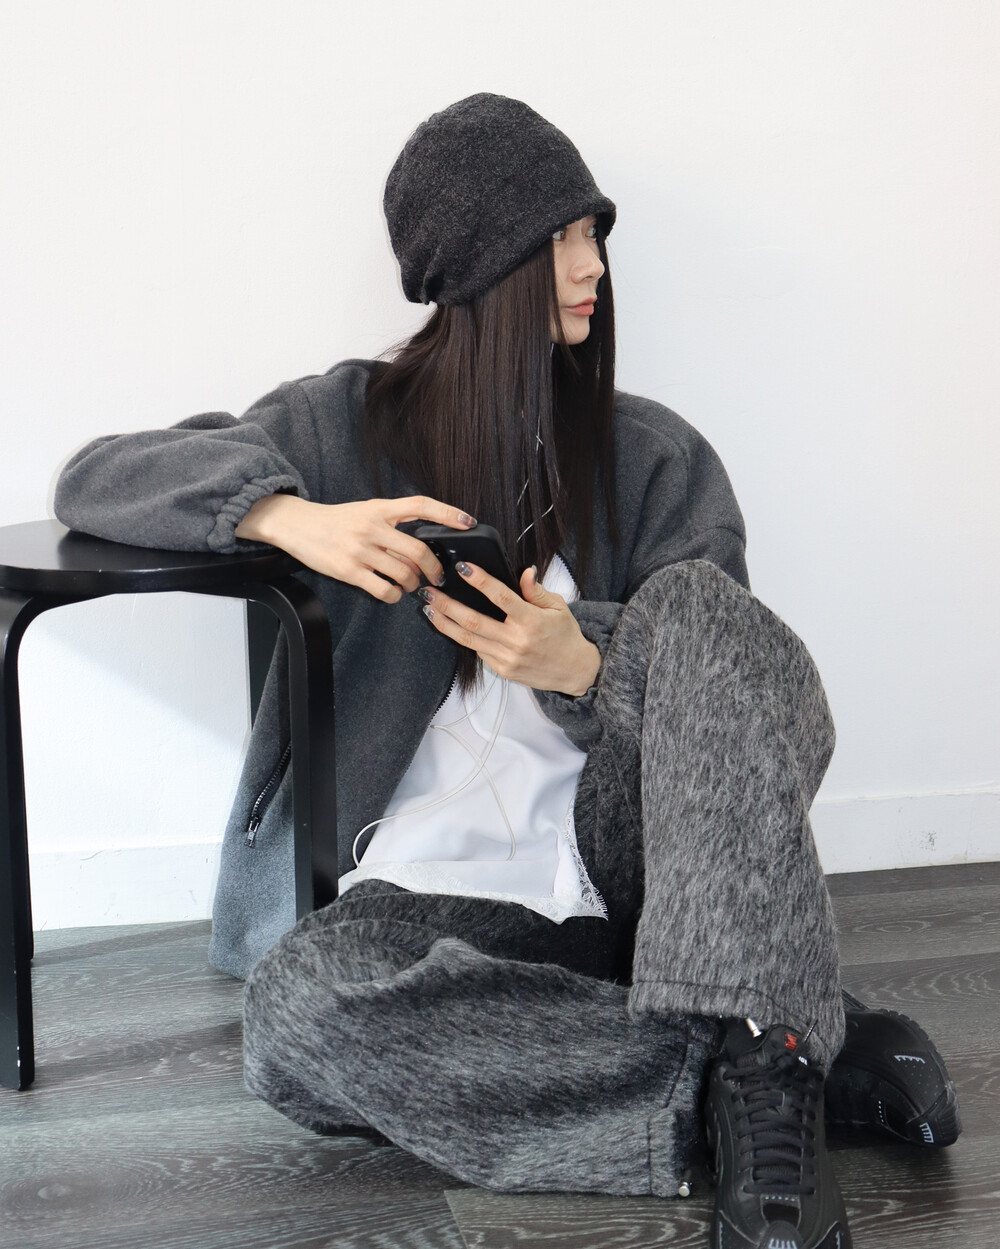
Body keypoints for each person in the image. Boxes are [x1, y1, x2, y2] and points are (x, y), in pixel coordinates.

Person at [54, 93, 960, 1249]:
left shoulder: (654, 455)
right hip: (428, 895)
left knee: (695, 607)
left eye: (595, 235)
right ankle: (767, 1061)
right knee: (297, 1014)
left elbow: (743, 698)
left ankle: (756, 1046)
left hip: (633, 880)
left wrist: (584, 661)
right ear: (480, 269)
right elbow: (98, 475)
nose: (592, 267)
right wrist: (287, 516)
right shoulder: (335, 429)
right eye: (560, 240)